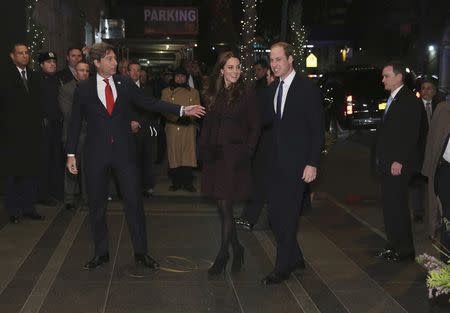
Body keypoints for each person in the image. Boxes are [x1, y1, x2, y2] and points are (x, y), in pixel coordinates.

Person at [66, 43, 205, 270]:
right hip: (96, 155)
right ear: (97, 63)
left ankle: (141, 253)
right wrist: (71, 153)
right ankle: (101, 253)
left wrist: (181, 110)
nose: (115, 63)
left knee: (134, 203)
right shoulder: (84, 88)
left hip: (124, 154)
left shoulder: (125, 83)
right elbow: (74, 123)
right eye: (110, 59)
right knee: (97, 206)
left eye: (114, 58)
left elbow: (150, 103)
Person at [262, 42, 324, 285]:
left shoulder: (306, 88)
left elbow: (317, 129)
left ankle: (282, 268)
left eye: (279, 59)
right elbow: (267, 122)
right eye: (272, 60)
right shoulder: (273, 88)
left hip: (299, 165)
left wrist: (312, 163)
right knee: (274, 217)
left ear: (290, 60)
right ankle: (295, 257)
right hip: (276, 164)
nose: (275, 64)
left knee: (287, 217)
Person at [199, 51, 261, 275]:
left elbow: (255, 126)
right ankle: (238, 248)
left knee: (225, 206)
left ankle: (223, 254)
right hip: (215, 156)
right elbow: (207, 124)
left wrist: (248, 151)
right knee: (222, 207)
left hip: (234, 157)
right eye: (231, 67)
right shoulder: (213, 93)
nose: (235, 71)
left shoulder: (247, 94)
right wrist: (203, 149)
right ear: (222, 70)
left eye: (238, 67)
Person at [375, 61, 423, 263]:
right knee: (390, 206)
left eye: (386, 76)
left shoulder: (409, 100)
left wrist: (399, 160)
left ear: (399, 77)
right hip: (387, 163)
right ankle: (393, 245)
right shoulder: (394, 98)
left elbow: (411, 135)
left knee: (398, 207)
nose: (383, 79)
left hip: (397, 164)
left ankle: (404, 250)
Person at [0, 43, 44, 223]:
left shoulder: (34, 76)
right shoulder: (5, 77)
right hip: (12, 135)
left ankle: (28, 207)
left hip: (32, 135)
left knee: (31, 172)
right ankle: (13, 210)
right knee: (13, 174)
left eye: (26, 53)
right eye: (20, 53)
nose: (25, 56)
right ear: (12, 56)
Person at [235, 61, 273, 231]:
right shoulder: (260, 89)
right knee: (259, 182)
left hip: (268, 144)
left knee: (262, 183)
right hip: (262, 143)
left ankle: (251, 218)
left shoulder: (269, 92)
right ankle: (249, 217)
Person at [161, 67, 200, 192]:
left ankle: (188, 183)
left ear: (186, 78)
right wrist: (176, 119)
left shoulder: (194, 92)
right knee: (174, 154)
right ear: (174, 77)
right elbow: (164, 109)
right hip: (173, 127)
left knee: (188, 155)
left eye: (183, 76)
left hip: (189, 127)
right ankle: (176, 182)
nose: (180, 78)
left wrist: (190, 118)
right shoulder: (166, 91)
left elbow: (198, 108)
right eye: (177, 76)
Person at [59, 61, 90, 209]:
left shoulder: (92, 88)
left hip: (90, 135)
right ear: (75, 72)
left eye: (86, 71)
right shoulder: (66, 89)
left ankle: (87, 197)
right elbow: (69, 114)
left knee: (88, 167)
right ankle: (69, 198)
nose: (84, 73)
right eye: (81, 70)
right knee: (72, 167)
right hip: (72, 134)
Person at [422, 100, 450, 262]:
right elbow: (432, 139)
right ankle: (447, 263)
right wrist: (429, 169)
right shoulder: (443, 109)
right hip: (446, 171)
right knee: (448, 218)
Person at [37, 51, 65, 206]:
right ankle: (43, 194)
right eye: (48, 62)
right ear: (41, 65)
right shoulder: (37, 80)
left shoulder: (58, 80)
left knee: (56, 159)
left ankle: (56, 192)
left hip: (57, 125)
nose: (52, 64)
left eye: (54, 61)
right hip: (44, 126)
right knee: (45, 160)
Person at [128, 61, 158, 197]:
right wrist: (130, 122)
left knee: (146, 159)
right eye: (132, 70)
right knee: (131, 160)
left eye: (137, 70)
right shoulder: (121, 88)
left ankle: (147, 186)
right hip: (127, 129)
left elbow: (149, 108)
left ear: (140, 73)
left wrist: (138, 122)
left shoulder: (147, 89)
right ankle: (132, 187)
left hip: (144, 128)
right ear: (128, 72)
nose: (135, 73)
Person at [409, 78, 437, 222]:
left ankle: (437, 211)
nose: (425, 91)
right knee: (417, 183)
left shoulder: (440, 107)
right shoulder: (415, 107)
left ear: (435, 91)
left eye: (429, 88)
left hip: (436, 152)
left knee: (435, 182)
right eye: (423, 88)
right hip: (419, 152)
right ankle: (418, 212)